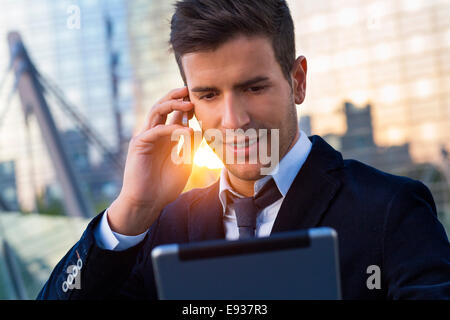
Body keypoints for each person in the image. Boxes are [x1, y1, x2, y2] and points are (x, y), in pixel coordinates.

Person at [38, 0, 450, 300]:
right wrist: (130, 212)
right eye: (209, 94)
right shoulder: (162, 226)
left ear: (298, 80)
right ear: (188, 105)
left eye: (253, 87)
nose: (234, 120)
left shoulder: (390, 210)